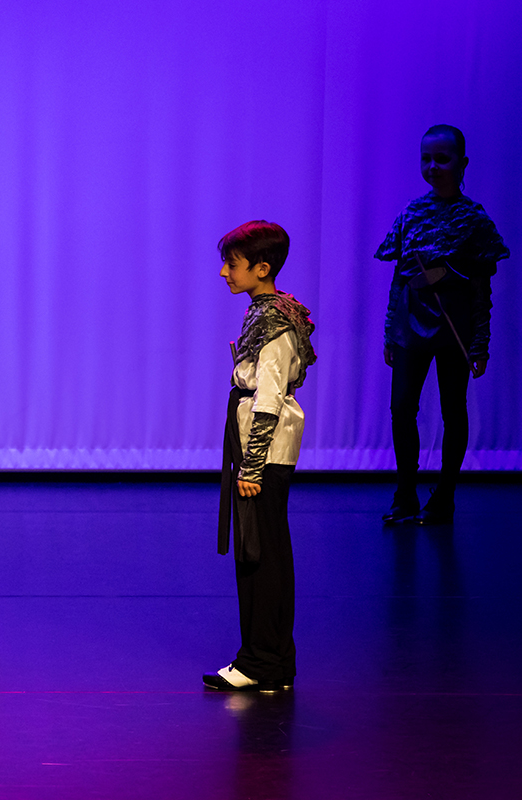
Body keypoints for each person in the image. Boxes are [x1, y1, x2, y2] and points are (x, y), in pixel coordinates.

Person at [377, 124, 510, 524]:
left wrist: (480, 342)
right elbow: (399, 278)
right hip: (409, 325)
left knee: (454, 410)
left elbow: (481, 290)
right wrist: (389, 330)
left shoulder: (474, 219)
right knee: (402, 408)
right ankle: (405, 493)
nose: (433, 166)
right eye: (426, 159)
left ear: (462, 163)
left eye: (442, 158)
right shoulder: (411, 213)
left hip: (454, 328)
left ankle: (445, 496)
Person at [204, 221, 316, 693]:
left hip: (263, 454)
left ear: (262, 268)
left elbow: (268, 396)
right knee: (265, 552)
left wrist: (251, 467)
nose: (224, 273)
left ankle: (261, 661)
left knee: (259, 555)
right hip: (262, 450)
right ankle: (273, 660)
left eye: (232, 264)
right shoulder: (270, 311)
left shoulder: (272, 322)